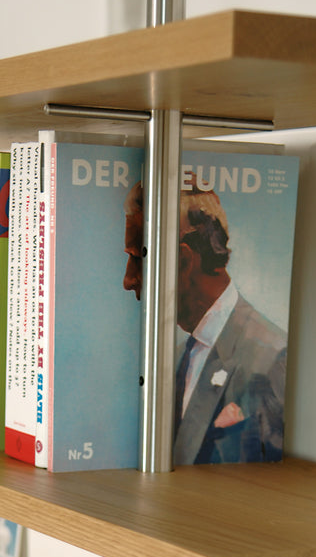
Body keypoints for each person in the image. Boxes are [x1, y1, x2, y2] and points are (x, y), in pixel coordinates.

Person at [122, 180, 286, 465]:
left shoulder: (272, 358)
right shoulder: (175, 357)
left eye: (138, 260)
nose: (128, 280)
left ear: (184, 261)